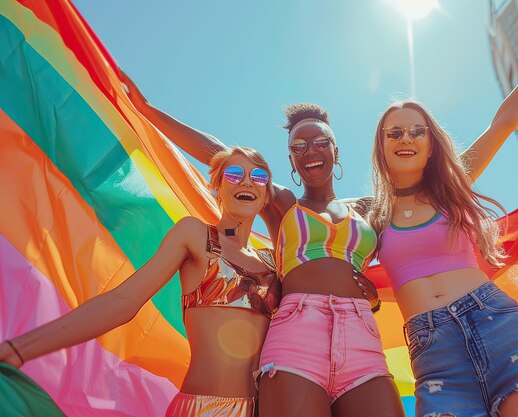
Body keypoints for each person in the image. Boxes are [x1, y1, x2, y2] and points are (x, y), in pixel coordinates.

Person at [120, 79, 405, 416]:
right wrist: (148, 110)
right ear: (291, 160)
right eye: (299, 147)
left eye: (320, 142)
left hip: (359, 333)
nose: (310, 151)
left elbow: (427, 198)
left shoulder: (369, 208)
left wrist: (374, 291)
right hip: (298, 328)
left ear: (336, 151)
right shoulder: (282, 203)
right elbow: (221, 156)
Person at [367, 1, 518, 416]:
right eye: (394, 132)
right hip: (435, 353)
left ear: (431, 142)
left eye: (418, 131)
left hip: (498, 324)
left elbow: (504, 122)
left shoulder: (450, 189)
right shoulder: (371, 217)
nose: (407, 138)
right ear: (381, 147)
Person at [0, 147, 280, 417]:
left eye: (258, 177)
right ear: (217, 187)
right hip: (204, 409)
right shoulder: (196, 234)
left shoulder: (275, 262)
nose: (247, 182)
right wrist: (18, 349)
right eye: (234, 174)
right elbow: (124, 301)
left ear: (266, 195)